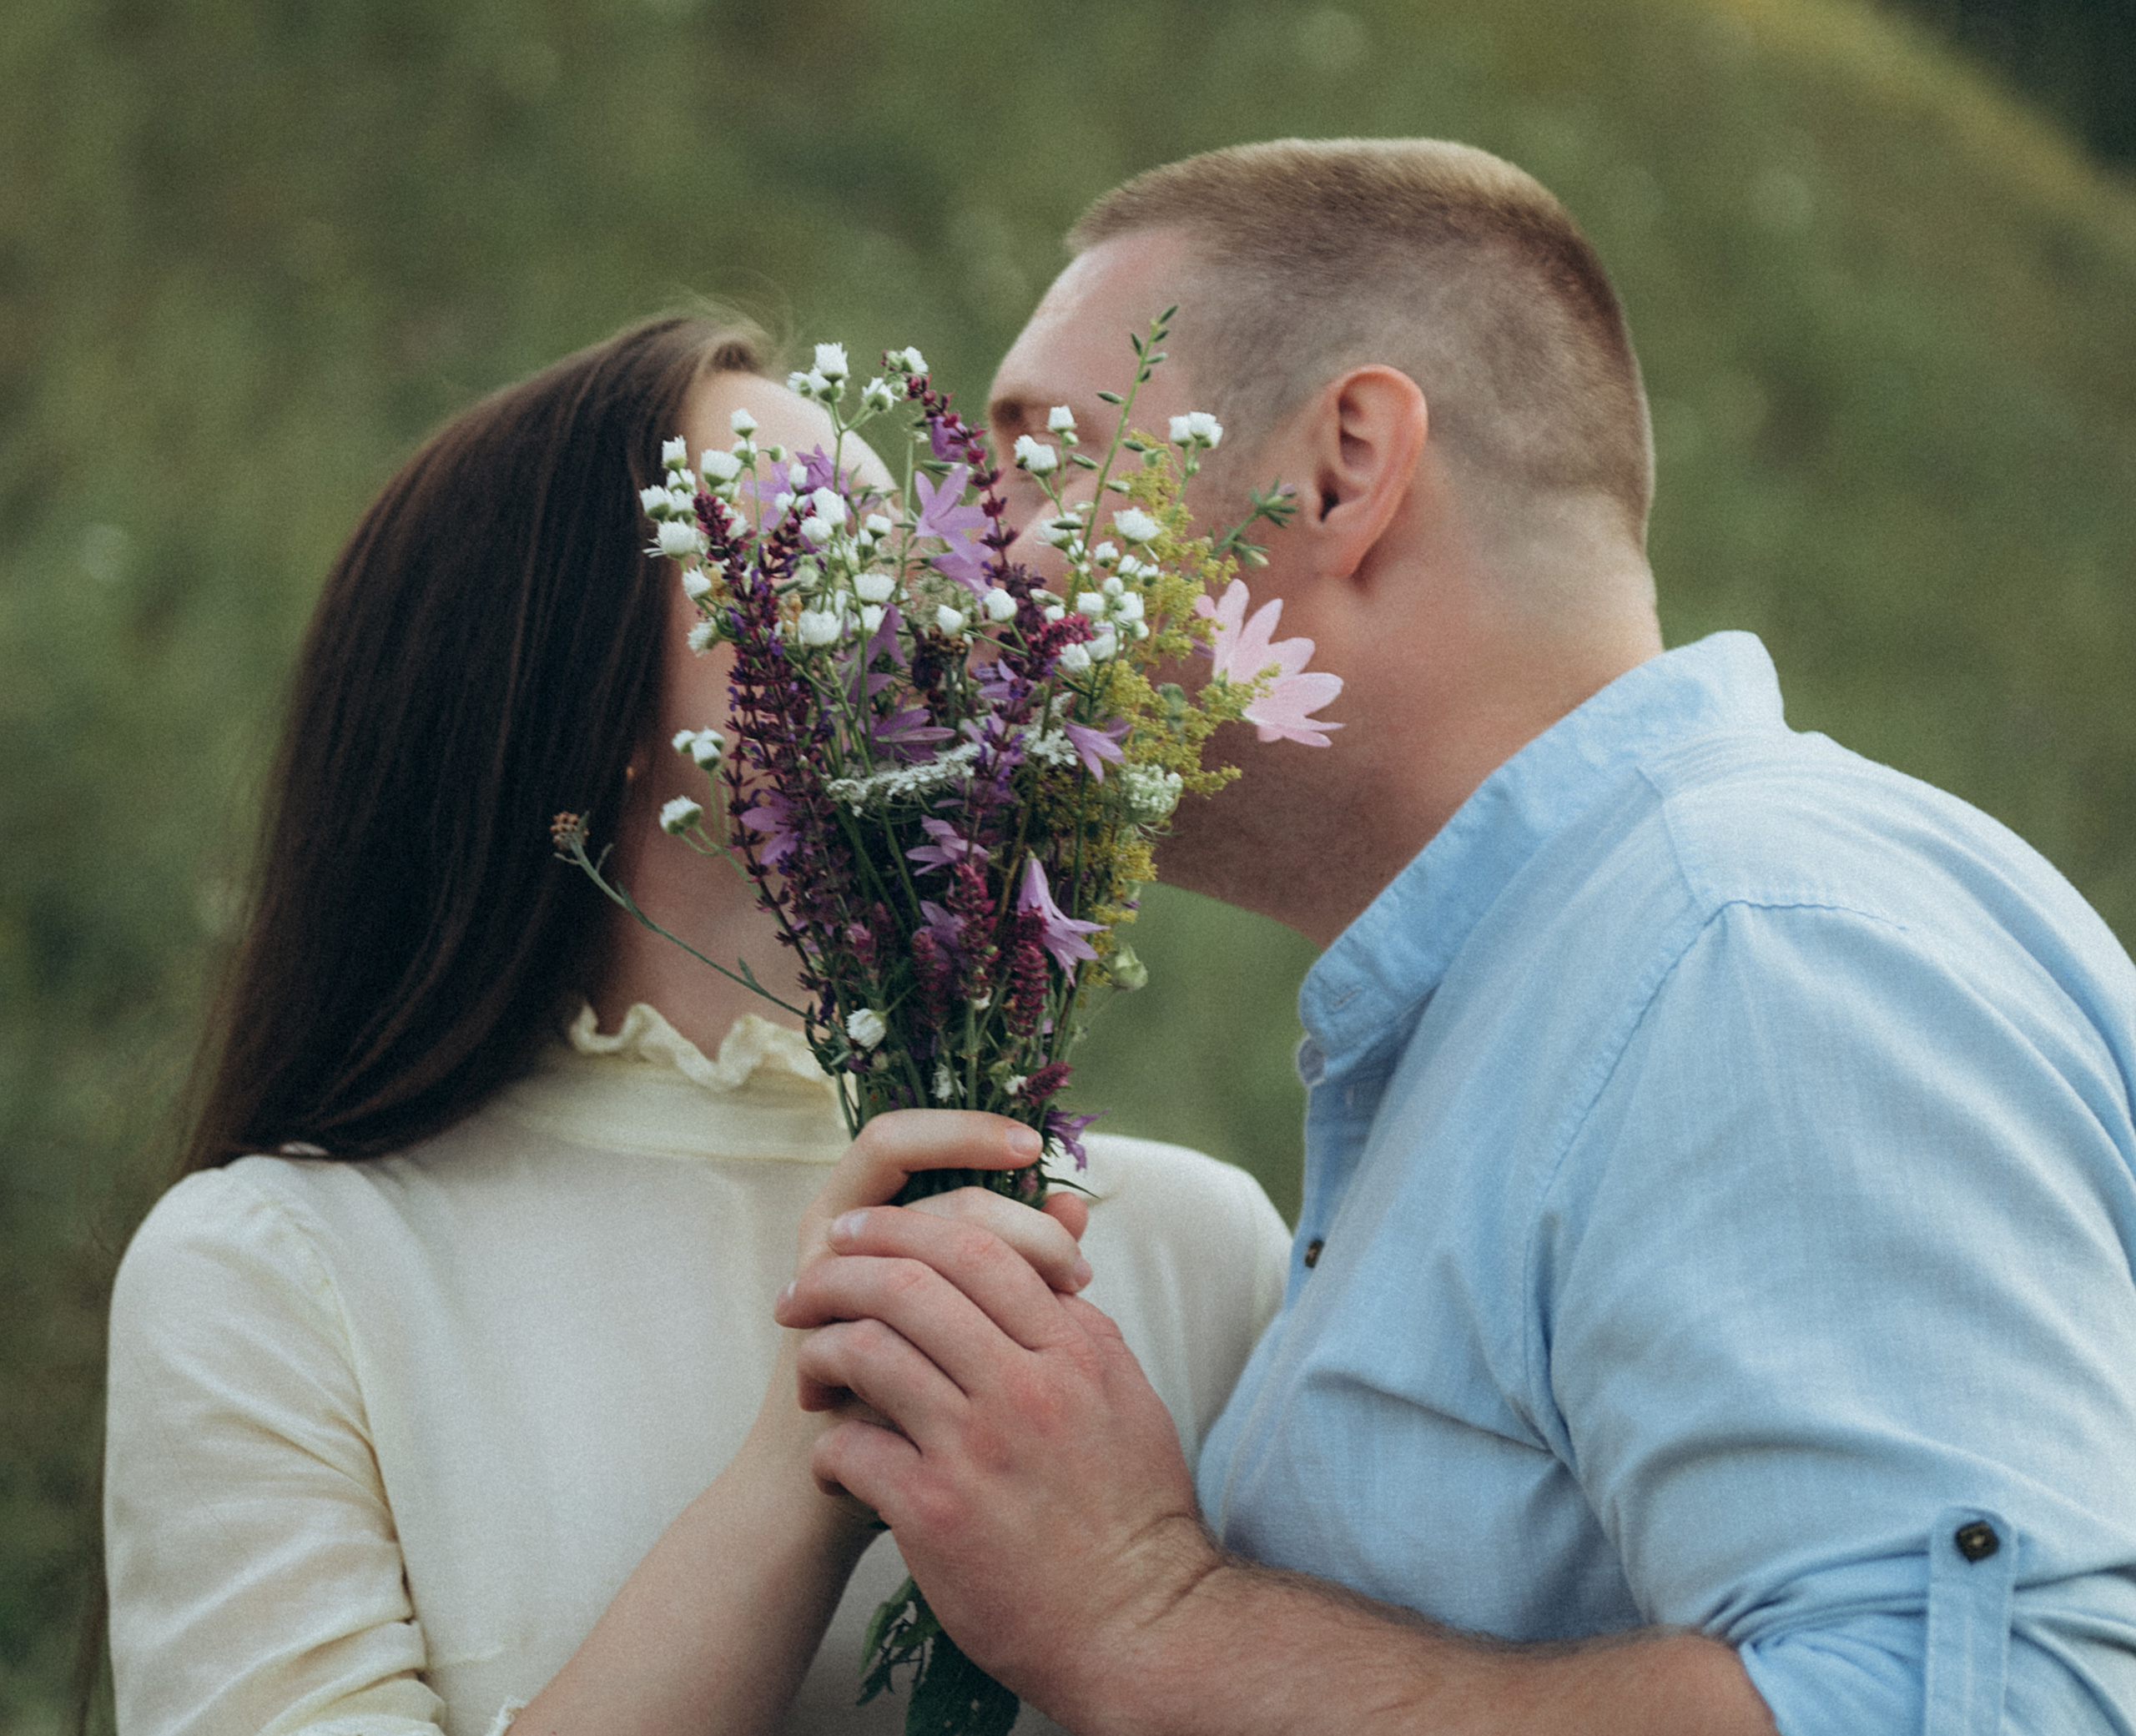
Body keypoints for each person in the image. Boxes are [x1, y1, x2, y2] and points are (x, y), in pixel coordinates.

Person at [777, 138, 2136, 1733]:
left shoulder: (1739, 953)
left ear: (1345, 468)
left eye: (1035, 462)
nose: (965, 568)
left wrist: (1150, 1618)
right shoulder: (1570, 983)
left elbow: (2011, 1708)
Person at [101, 313, 1292, 1736]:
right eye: (811, 538)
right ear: (566, 675)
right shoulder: (280, 1273)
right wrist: (814, 1449)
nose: (939, 602)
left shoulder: (1193, 1247)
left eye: (913, 543)